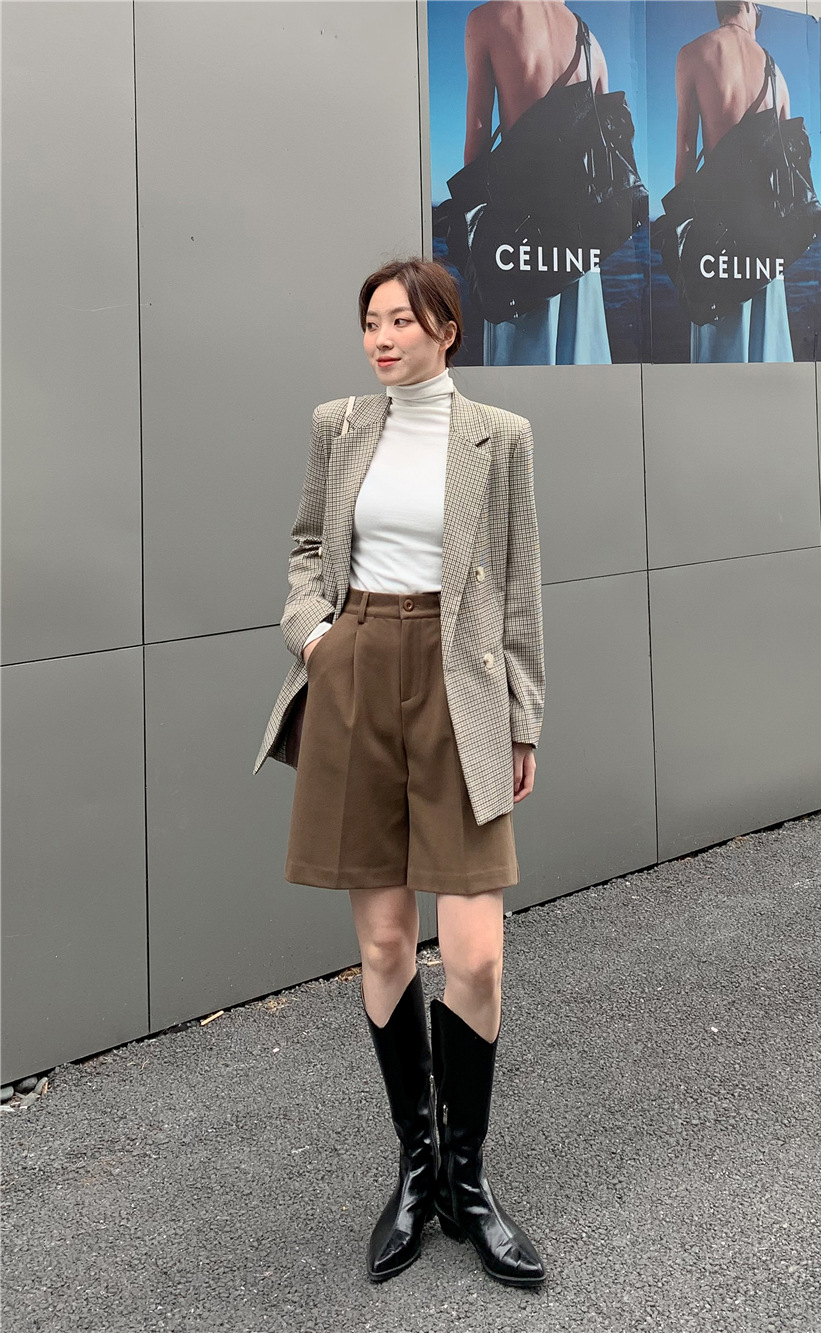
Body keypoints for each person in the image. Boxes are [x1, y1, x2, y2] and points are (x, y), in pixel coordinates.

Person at [254, 258, 546, 1287]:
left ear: (445, 328)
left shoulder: (498, 436)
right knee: (383, 940)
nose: (380, 339)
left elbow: (517, 585)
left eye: (399, 321)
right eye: (369, 322)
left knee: (475, 956)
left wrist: (523, 719)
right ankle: (418, 1169)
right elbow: (305, 547)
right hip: (357, 672)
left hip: (459, 682)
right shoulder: (339, 425)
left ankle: (469, 1178)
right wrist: (318, 638)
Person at [464, 0, 613, 365]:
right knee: (584, 366)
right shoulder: (592, 45)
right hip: (579, 242)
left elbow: (478, 137)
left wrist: (473, 235)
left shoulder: (489, 18)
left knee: (517, 375)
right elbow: (605, 157)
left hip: (517, 232)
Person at [674, 0, 794, 363]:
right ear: (750, 6)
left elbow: (686, 149)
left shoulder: (694, 53)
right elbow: (787, 173)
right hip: (765, 237)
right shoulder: (777, 76)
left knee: (716, 356)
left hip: (716, 229)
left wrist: (683, 231)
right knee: (767, 356)